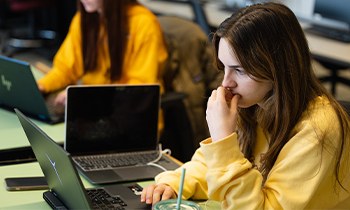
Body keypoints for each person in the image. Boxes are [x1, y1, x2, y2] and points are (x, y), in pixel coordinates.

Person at [141, 2, 350, 209]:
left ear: (276, 68)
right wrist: (175, 182)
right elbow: (212, 165)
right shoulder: (256, 101)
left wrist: (223, 140)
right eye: (224, 67)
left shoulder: (318, 129)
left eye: (239, 70)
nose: (226, 83)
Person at [37, 0, 168, 107]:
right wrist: (43, 85)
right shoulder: (83, 19)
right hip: (93, 110)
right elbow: (66, 68)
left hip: (131, 115)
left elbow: (140, 89)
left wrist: (86, 96)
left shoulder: (144, 24)